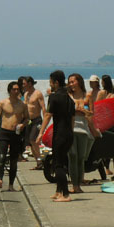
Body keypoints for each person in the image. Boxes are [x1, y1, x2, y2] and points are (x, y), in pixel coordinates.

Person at [0, 82, 29, 191]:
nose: (16, 91)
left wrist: (22, 125)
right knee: (1, 156)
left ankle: (11, 185)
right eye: (14, 89)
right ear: (9, 91)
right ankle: (0, 179)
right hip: (4, 132)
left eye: (17, 89)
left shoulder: (22, 104)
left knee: (13, 160)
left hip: (15, 134)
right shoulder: (3, 103)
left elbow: (27, 118)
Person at [44, 70, 74, 202]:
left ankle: (65, 194)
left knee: (58, 164)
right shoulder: (69, 98)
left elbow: (47, 116)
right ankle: (58, 191)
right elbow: (72, 119)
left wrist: (41, 132)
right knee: (60, 160)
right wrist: (71, 133)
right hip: (69, 134)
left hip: (59, 134)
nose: (50, 85)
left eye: (51, 82)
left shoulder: (54, 97)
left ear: (56, 82)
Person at [68, 73, 100, 194]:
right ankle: (74, 185)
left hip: (83, 129)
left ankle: (79, 184)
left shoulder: (88, 96)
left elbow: (91, 113)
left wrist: (83, 111)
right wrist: (75, 111)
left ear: (79, 82)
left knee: (81, 158)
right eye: (69, 82)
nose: (71, 84)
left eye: (73, 82)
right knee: (72, 156)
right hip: (71, 129)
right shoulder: (68, 96)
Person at [21, 76, 45, 170]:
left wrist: (44, 124)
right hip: (29, 121)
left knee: (33, 140)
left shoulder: (37, 93)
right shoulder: (26, 94)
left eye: (24, 84)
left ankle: (40, 161)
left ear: (30, 84)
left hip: (37, 120)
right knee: (30, 143)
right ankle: (38, 163)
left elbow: (43, 108)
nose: (23, 85)